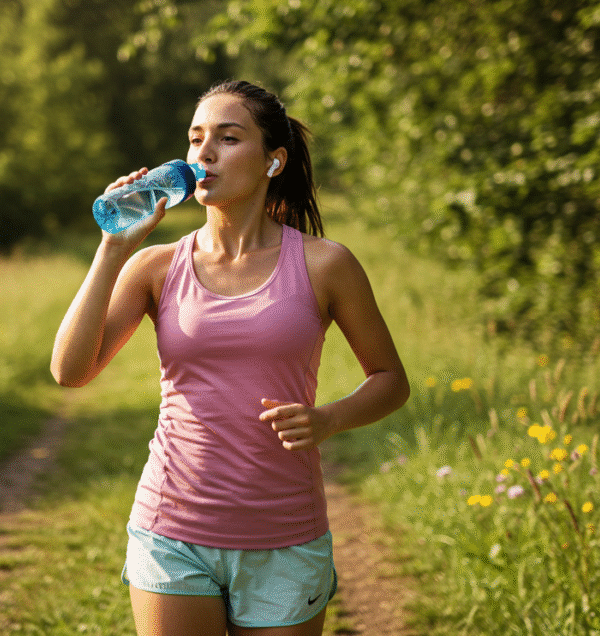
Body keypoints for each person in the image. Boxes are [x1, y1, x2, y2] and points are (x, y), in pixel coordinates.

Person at [50, 80, 409, 636]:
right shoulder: (155, 266)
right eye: (195, 140)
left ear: (273, 160)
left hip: (285, 535)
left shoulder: (325, 264)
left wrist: (329, 419)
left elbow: (390, 380)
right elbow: (70, 371)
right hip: (171, 531)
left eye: (228, 138)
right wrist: (112, 247)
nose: (204, 154)